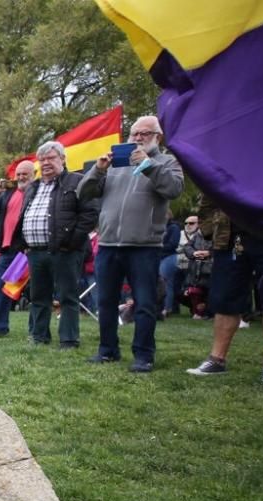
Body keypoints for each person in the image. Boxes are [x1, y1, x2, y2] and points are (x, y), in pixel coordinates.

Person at [78, 115, 184, 372]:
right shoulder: (116, 165)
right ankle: (107, 350)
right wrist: (98, 169)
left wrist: (148, 166)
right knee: (105, 301)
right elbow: (83, 192)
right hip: (109, 244)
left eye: (145, 134)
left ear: (157, 137)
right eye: (134, 133)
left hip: (144, 245)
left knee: (145, 303)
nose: (137, 138)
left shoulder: (166, 161)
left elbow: (174, 189)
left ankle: (143, 355)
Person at [186, 199, 263, 385]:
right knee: (225, 298)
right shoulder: (225, 168)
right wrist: (209, 227)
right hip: (229, 236)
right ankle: (216, 360)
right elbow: (210, 191)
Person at [18, 142, 98, 348]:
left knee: (67, 296)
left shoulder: (77, 181)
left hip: (65, 251)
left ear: (62, 159)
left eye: (51, 158)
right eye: (42, 160)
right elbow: (24, 215)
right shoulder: (33, 186)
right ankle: (39, 336)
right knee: (38, 297)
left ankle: (69, 340)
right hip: (35, 252)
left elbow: (90, 214)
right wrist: (24, 242)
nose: (46, 163)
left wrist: (72, 241)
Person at [0, 160, 36, 336]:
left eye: (25, 174)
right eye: (18, 174)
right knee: (2, 290)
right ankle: (0, 327)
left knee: (31, 292)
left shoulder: (36, 192)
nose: (21, 177)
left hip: (26, 250)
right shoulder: (8, 193)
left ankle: (35, 330)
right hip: (6, 250)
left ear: (33, 174)